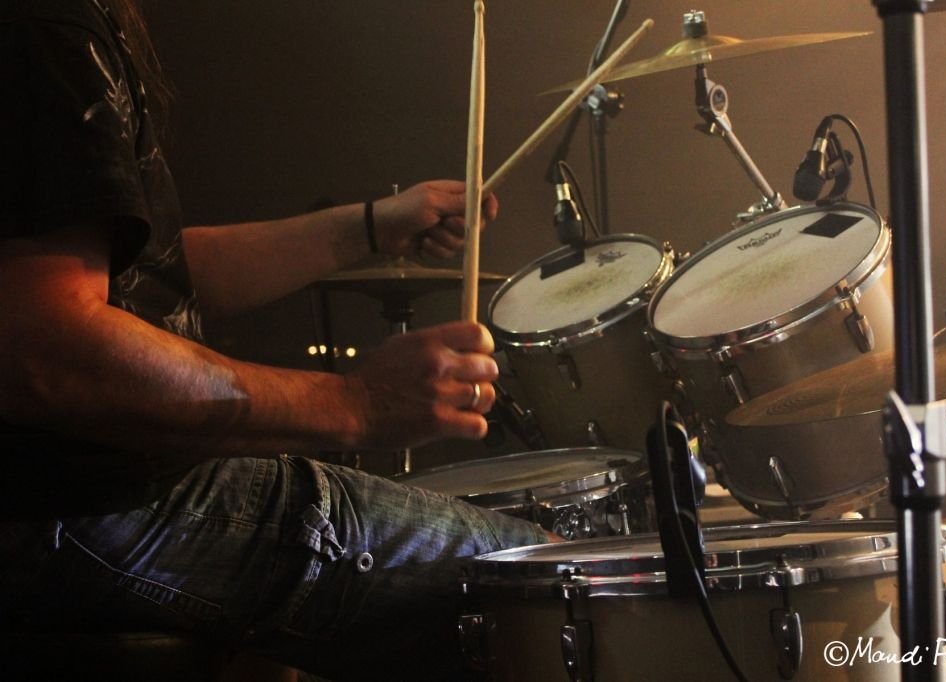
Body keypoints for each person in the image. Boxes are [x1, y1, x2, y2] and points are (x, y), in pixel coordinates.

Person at [0, 1, 551, 679]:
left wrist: (370, 226)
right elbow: (45, 351)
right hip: (80, 504)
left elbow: (147, 276)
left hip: (87, 494)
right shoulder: (44, 23)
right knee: (545, 586)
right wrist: (360, 404)